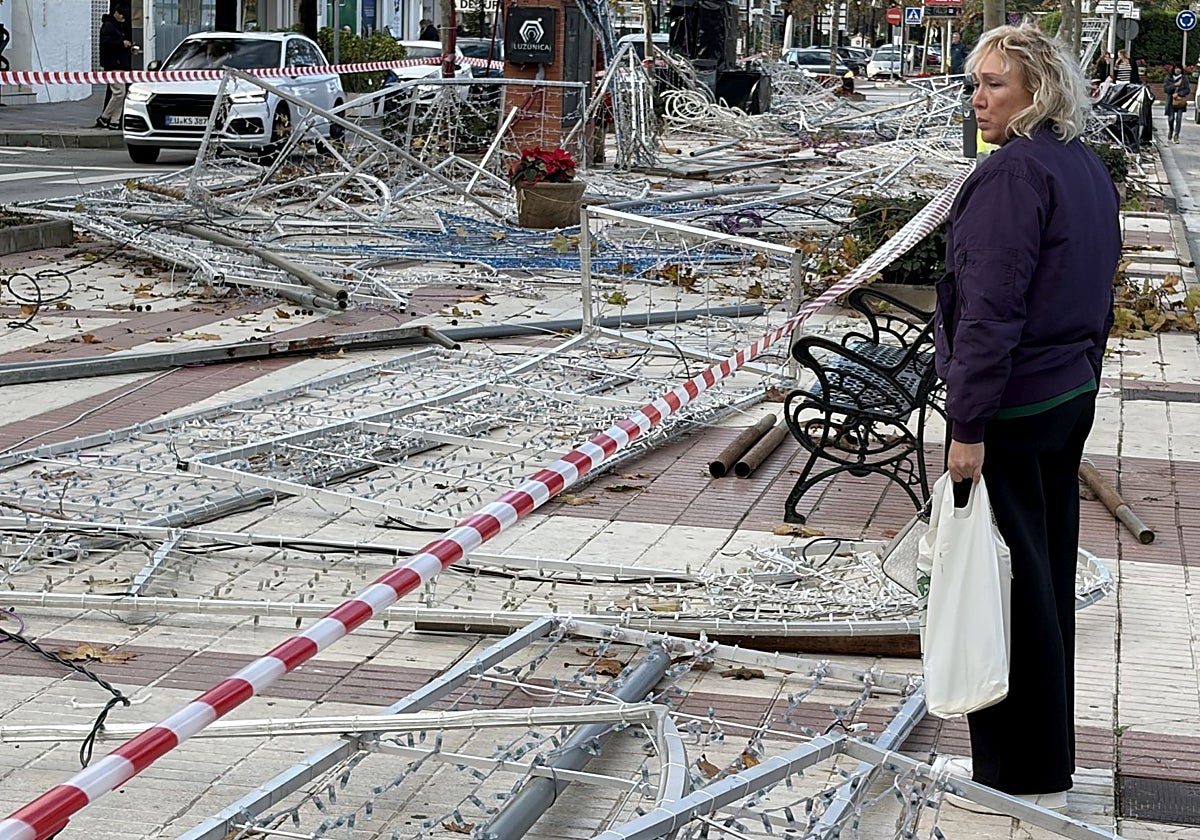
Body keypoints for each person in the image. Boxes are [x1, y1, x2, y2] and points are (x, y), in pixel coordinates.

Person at [932, 25, 1120, 812]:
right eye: (974, 82)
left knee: (1004, 589)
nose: (978, 97)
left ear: (1037, 91)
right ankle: (1047, 764)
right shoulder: (1082, 166)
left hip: (1013, 402)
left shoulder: (1014, 174)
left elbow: (989, 310)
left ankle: (1014, 777)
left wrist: (967, 425)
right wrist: (1084, 377)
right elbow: (1101, 282)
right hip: (1064, 393)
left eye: (996, 84)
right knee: (1039, 578)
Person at [96, 5, 132, 130]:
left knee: (121, 93)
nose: (123, 19)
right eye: (122, 16)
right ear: (117, 13)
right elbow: (106, 43)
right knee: (119, 93)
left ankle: (114, 121)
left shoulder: (116, 26)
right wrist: (122, 44)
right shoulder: (109, 26)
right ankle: (105, 117)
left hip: (118, 64)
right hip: (113, 64)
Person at [1164, 63, 1190, 144]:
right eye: (1176, 68)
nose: (1178, 70)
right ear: (1173, 69)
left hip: (1180, 101)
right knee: (1171, 118)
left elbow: (1187, 90)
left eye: (1179, 68)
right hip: (1170, 101)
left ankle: (1176, 135)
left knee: (1179, 119)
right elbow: (1166, 89)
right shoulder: (1168, 78)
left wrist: (1179, 94)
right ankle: (1171, 130)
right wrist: (1174, 85)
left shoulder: (1184, 78)